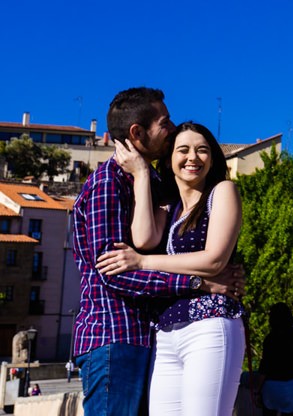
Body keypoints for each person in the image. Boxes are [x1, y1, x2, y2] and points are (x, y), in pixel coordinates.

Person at [71, 88, 241, 416]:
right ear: (138, 132)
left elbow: (145, 248)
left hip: (146, 334)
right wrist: (198, 283)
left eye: (202, 150)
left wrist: (142, 174)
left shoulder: (150, 186)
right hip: (113, 334)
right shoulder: (109, 182)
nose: (171, 127)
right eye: (165, 123)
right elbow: (116, 272)